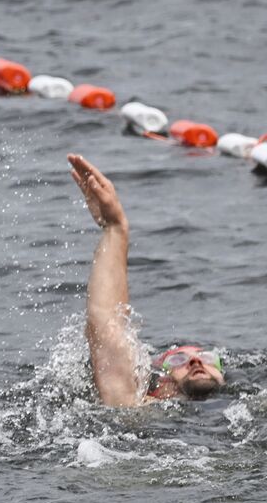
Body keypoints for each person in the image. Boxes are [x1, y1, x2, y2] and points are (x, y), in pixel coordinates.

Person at [69, 153, 225, 406]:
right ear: (160, 381)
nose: (196, 362)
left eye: (207, 357)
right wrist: (115, 228)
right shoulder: (143, 406)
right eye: (178, 361)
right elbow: (108, 334)